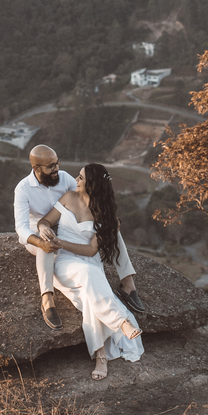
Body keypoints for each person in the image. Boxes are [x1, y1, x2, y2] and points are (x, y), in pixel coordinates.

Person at [13, 145, 145, 332]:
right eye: (51, 166)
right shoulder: (23, 189)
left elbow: (84, 199)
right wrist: (40, 238)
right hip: (40, 231)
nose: (56, 169)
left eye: (57, 163)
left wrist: (106, 219)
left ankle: (128, 284)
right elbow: (21, 227)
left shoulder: (64, 178)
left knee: (112, 229)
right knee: (46, 247)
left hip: (67, 227)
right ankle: (47, 299)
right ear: (36, 168)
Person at [37, 162, 143, 380]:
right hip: (63, 263)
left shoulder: (106, 217)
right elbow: (45, 220)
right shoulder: (68, 197)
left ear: (92, 185)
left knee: (89, 296)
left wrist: (61, 241)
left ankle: (101, 356)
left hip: (87, 261)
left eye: (81, 178)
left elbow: (90, 250)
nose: (76, 180)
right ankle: (121, 321)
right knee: (89, 278)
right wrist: (44, 229)